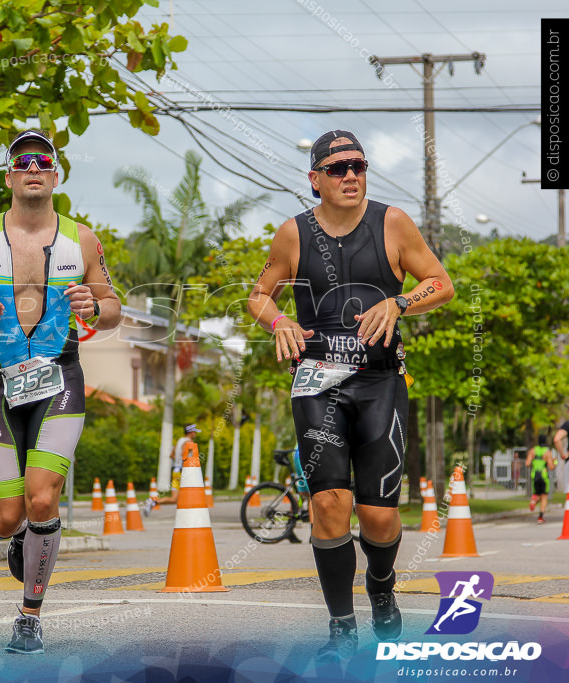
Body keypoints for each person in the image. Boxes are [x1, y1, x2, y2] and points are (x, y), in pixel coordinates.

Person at [247, 130, 454, 663]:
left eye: (359, 166)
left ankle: (381, 589)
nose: (351, 176)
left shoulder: (393, 223)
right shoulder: (292, 234)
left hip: (380, 381)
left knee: (378, 517)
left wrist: (401, 302)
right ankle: (341, 625)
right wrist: (278, 322)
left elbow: (441, 281)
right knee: (328, 503)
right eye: (338, 168)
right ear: (314, 178)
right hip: (317, 380)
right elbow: (258, 295)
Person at [0, 129, 121, 654]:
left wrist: (93, 307)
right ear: (10, 175)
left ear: (56, 175)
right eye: (23, 161)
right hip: (0, 381)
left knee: (42, 497)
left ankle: (30, 615)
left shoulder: (83, 239)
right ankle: (25, 538)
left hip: (61, 377)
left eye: (43, 160)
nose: (33, 167)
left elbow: (113, 308)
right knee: (5, 517)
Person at [142, 423, 199, 513]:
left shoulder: (180, 440)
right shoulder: (189, 442)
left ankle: (152, 502)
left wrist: (178, 461)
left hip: (176, 471)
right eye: (195, 432)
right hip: (183, 472)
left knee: (174, 499)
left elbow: (171, 455)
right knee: (195, 495)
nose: (195, 434)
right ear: (191, 432)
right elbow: (183, 455)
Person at [526, 435, 556, 524]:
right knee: (544, 496)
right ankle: (540, 517)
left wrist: (534, 465)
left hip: (534, 474)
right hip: (543, 475)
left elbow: (527, 463)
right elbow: (551, 467)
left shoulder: (532, 451)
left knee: (537, 493)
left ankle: (534, 500)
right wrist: (555, 462)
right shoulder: (547, 452)